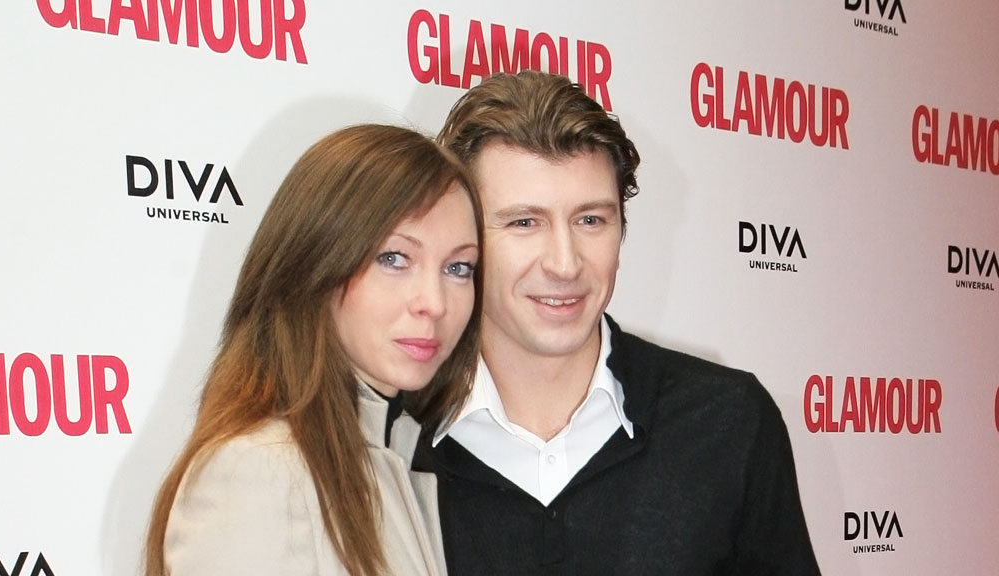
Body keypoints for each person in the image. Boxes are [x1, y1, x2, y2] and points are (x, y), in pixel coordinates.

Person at [414, 70, 822, 575]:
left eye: (590, 220)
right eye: (524, 222)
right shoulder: (394, 436)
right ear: (464, 240)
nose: (565, 264)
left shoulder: (729, 421)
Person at [144, 124, 483, 576]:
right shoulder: (260, 471)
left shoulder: (395, 456)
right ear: (316, 262)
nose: (435, 303)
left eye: (458, 267)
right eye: (393, 259)